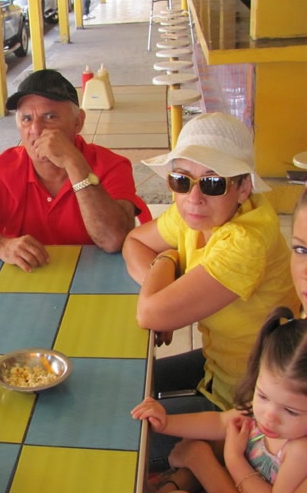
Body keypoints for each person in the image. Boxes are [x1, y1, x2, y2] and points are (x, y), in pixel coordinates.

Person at [122, 112, 300, 469]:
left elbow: (149, 314)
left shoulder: (246, 241)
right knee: (123, 383)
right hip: (217, 364)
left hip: (252, 403)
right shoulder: (196, 211)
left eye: (213, 183)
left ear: (244, 188)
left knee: (121, 431)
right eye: (181, 180)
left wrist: (165, 283)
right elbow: (134, 242)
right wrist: (168, 279)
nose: (194, 197)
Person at [0, 69, 143, 272]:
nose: (36, 130)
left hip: (98, 279)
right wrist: (1, 246)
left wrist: (74, 164)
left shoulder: (111, 165)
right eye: (27, 119)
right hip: (26, 278)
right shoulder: (2, 170)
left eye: (50, 117)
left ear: (77, 122)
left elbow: (114, 240)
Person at [131, 307, 307, 493]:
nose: (269, 416)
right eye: (262, 395)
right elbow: (219, 422)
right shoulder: (261, 412)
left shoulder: (299, 451)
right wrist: (166, 423)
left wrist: (233, 457)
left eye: (291, 411)